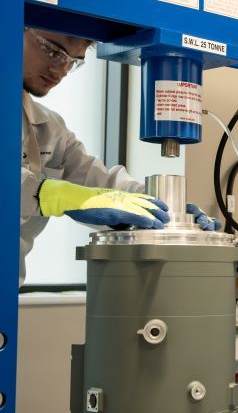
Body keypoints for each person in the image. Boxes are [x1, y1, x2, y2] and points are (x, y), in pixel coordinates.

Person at [20, 27, 220, 287]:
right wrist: (55, 195)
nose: (60, 71)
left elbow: (98, 182)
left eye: (73, 62)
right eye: (53, 51)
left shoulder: (48, 128)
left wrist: (165, 207)